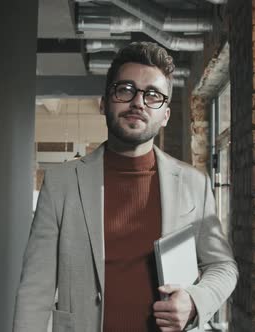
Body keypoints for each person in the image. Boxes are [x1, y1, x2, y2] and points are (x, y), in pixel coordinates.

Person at [13, 42, 238, 332]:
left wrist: (194, 301)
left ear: (166, 115)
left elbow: (223, 267)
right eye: (125, 89)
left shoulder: (194, 184)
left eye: (153, 95)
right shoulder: (62, 184)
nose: (138, 102)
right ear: (105, 102)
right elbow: (35, 290)